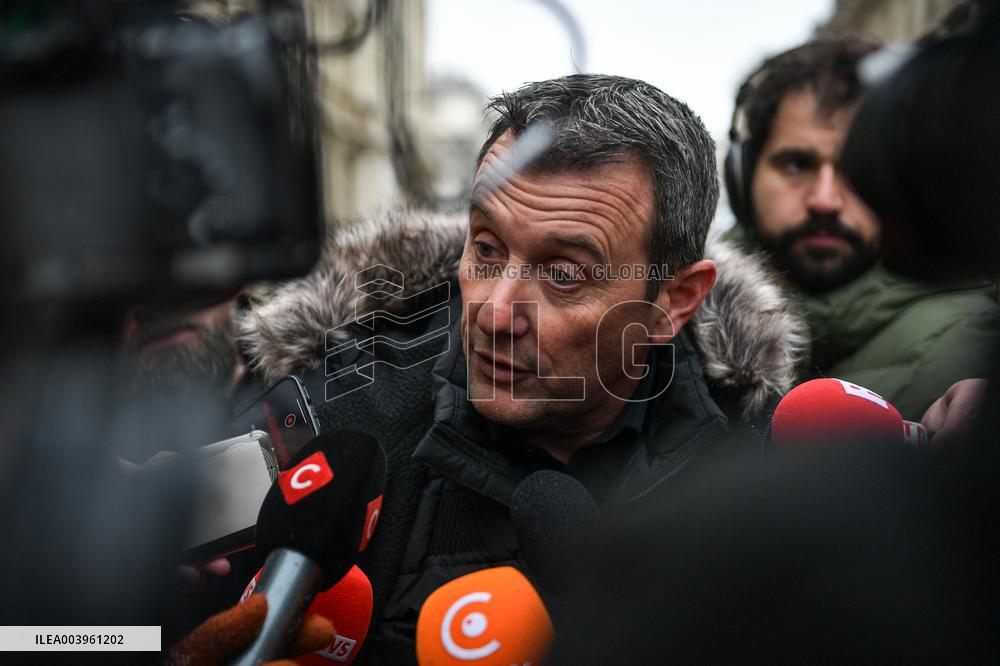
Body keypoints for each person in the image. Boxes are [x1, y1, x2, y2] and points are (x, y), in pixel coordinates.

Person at [237, 73, 805, 663]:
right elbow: (167, 627)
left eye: (563, 274)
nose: (495, 313)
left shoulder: (767, 467)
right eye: (486, 249)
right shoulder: (335, 419)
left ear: (673, 302)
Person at [722, 38, 1000, 419]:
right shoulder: (665, 318)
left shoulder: (969, 356)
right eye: (797, 165)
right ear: (741, 177)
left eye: (854, 166)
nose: (825, 200)